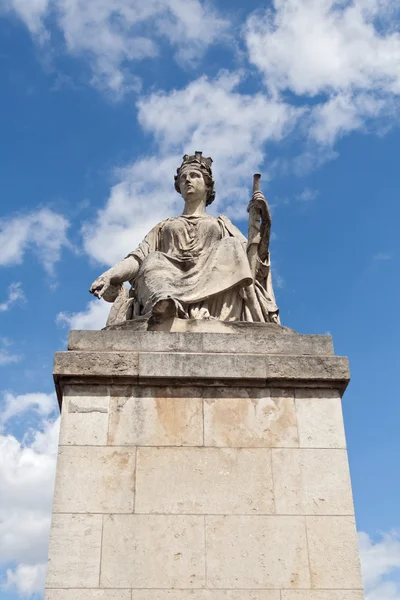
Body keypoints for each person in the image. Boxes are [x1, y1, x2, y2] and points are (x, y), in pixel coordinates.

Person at [89, 152, 279, 325]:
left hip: (211, 273)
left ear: (207, 185)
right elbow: (137, 258)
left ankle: (185, 306)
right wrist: (109, 275)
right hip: (169, 275)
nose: (188, 180)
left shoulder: (221, 224)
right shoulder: (165, 225)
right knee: (153, 259)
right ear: (178, 187)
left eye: (194, 175)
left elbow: (252, 262)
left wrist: (263, 224)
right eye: (183, 178)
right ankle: (165, 303)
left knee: (231, 246)